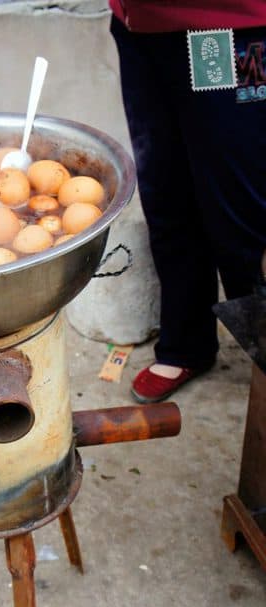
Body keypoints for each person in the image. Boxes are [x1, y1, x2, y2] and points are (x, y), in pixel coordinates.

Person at [108, 1, 266, 403]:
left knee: (242, 207)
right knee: (167, 193)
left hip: (223, 26)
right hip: (139, 27)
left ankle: (264, 344)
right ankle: (187, 343)